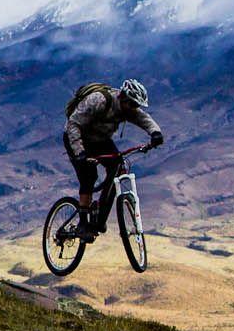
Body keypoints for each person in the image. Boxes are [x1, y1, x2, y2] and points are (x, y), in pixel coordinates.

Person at [63, 77, 163, 230]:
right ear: (123, 97)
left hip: (100, 140)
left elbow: (143, 118)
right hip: (77, 138)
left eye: (137, 105)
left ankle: (99, 220)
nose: (134, 108)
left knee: (117, 166)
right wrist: (79, 152)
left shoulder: (128, 108)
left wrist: (155, 133)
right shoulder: (99, 100)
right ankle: (83, 222)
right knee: (88, 176)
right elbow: (73, 123)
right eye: (133, 104)